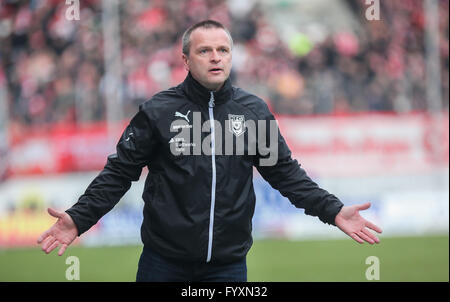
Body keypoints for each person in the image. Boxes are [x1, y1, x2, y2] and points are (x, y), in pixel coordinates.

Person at [37, 20, 382, 282]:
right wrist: (80, 218)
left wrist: (332, 210)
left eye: (223, 50)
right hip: (163, 264)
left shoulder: (253, 111)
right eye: (205, 51)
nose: (215, 57)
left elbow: (285, 173)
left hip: (228, 267)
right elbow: (119, 173)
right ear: (186, 59)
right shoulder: (158, 111)